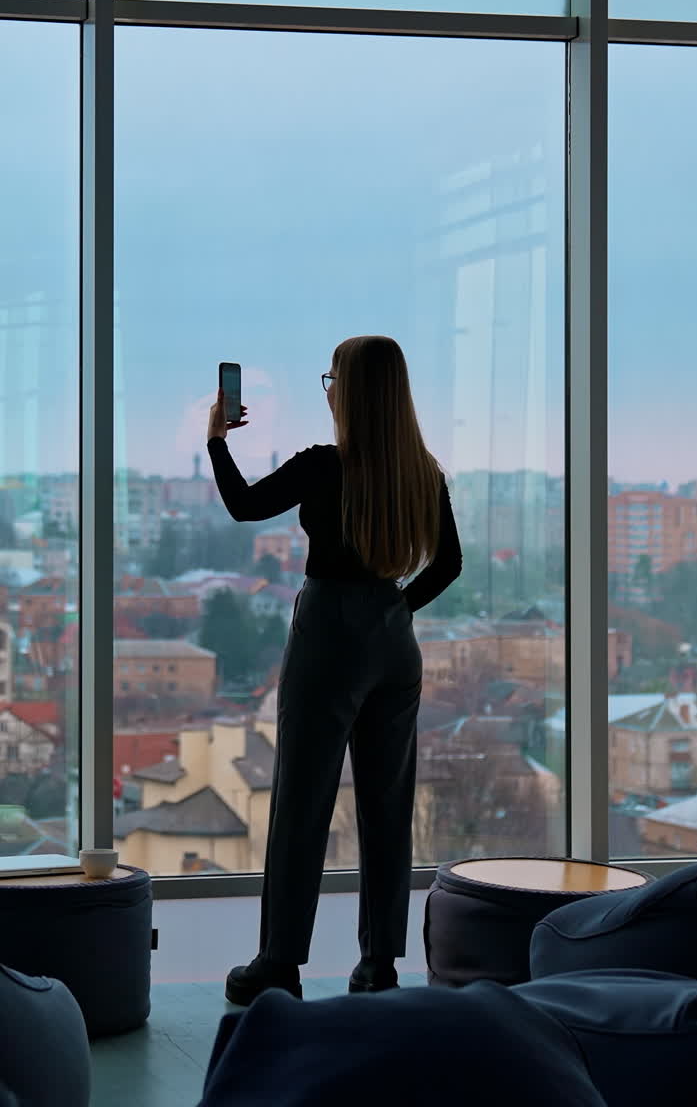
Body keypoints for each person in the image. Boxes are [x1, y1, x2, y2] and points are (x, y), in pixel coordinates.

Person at [206, 335, 462, 1006]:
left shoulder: (324, 464)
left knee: (302, 803)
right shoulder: (423, 471)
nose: (328, 389)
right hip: (393, 641)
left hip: (327, 637)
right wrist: (394, 609)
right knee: (386, 805)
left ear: (346, 392)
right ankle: (378, 964)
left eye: (332, 379)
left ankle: (280, 962)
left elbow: (244, 505)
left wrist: (217, 440)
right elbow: (448, 564)